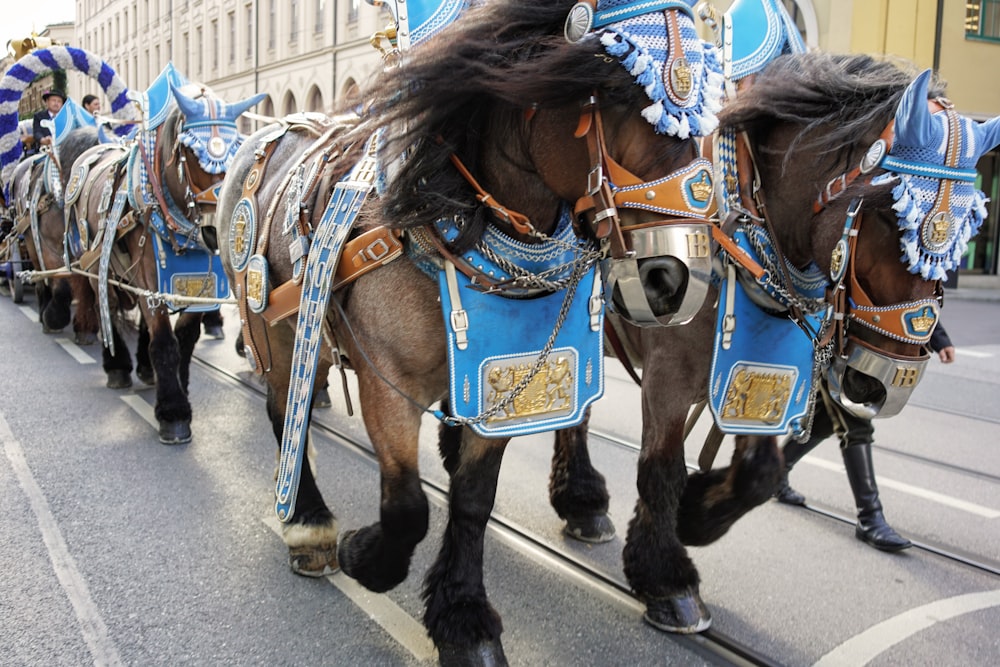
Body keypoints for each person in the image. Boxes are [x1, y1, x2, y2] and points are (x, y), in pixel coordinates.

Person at [775, 323, 956, 552]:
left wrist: (940, 338)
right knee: (855, 423)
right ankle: (870, 518)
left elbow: (917, 295)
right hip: (839, 342)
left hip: (864, 348)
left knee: (825, 420)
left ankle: (773, 474)